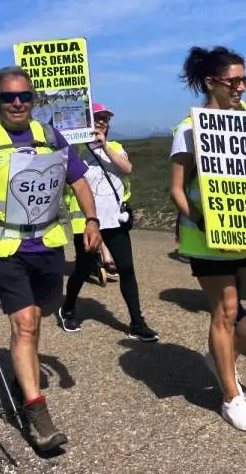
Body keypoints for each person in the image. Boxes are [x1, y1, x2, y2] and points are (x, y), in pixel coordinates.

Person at [0, 66, 101, 452]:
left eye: (24, 96)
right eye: (8, 97)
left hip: (48, 244)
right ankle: (37, 416)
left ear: (33, 100)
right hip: (5, 248)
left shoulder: (51, 136)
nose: (17, 103)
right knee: (25, 323)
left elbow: (79, 179)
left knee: (41, 315)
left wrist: (92, 220)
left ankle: (23, 375)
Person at [169, 46, 246, 432]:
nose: (241, 87)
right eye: (233, 80)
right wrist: (203, 222)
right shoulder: (189, 128)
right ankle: (230, 397)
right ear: (211, 83)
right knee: (224, 311)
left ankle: (221, 358)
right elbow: (175, 189)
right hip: (210, 238)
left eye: (245, 79)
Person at [59, 102, 158, 341]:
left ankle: (136, 322)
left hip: (115, 221)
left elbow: (127, 168)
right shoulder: (77, 151)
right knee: (82, 270)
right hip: (87, 222)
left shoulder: (116, 147)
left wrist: (105, 147)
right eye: (97, 118)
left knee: (127, 270)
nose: (102, 122)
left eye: (105, 119)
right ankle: (68, 308)